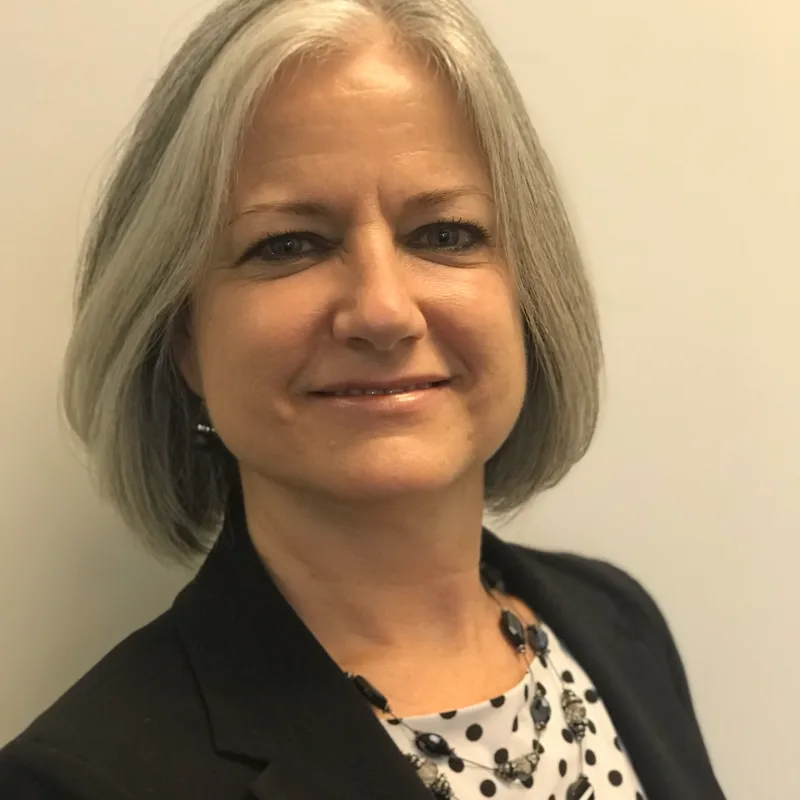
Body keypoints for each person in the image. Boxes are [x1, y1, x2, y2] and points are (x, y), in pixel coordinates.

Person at [0, 0, 727, 798]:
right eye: (288, 244)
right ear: (182, 339)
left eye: (444, 234)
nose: (383, 310)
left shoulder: (618, 624)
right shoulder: (76, 783)